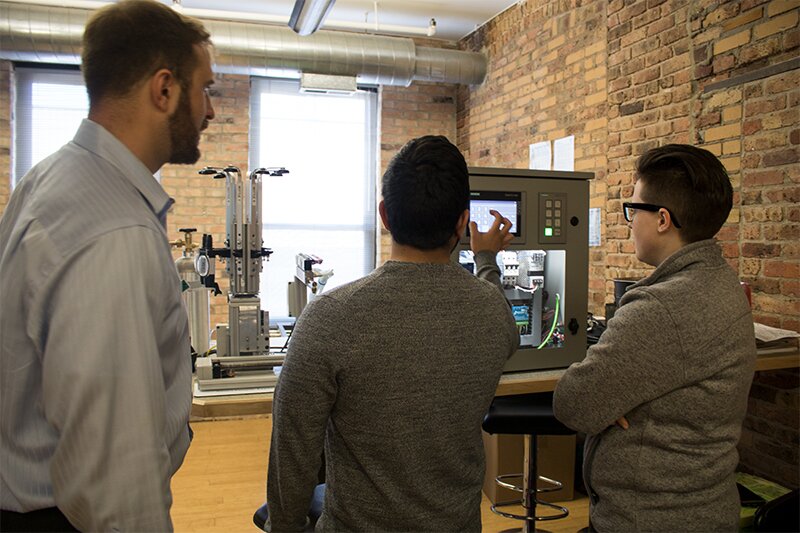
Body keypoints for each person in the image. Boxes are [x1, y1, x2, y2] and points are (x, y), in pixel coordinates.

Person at [0, 1, 215, 530]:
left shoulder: (48, 179)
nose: (210, 110)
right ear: (163, 90)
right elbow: (116, 484)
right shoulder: (114, 232)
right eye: (205, 88)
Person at [265, 136, 519, 532]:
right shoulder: (493, 313)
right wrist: (486, 257)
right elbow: (497, 311)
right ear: (460, 222)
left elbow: (292, 452)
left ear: (384, 215)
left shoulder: (329, 318)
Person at [553, 144, 757, 531]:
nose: (629, 221)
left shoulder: (661, 308)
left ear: (662, 219)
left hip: (648, 519)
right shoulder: (722, 282)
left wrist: (609, 398)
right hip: (704, 509)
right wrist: (614, 396)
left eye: (633, 209)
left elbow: (573, 404)